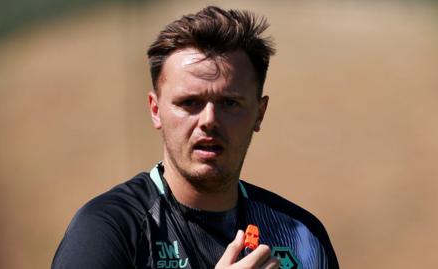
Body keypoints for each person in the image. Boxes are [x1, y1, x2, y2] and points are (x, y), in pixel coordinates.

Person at [52, 6, 339, 269]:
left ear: (259, 113)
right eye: (189, 103)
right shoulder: (108, 230)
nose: (209, 120)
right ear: (155, 110)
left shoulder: (302, 238)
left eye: (230, 103)